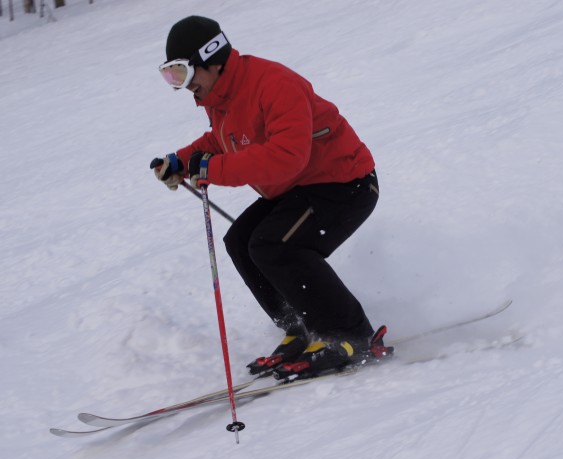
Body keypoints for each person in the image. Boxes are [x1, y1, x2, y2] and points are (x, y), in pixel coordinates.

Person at [151, 15, 390, 379]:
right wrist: (182, 161)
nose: (181, 86)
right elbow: (224, 140)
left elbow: (286, 155)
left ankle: (351, 335)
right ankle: (303, 326)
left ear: (212, 60)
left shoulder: (273, 84)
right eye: (170, 76)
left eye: (182, 73)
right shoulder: (222, 97)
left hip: (345, 184)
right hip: (299, 187)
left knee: (273, 244)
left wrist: (210, 170)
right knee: (241, 240)